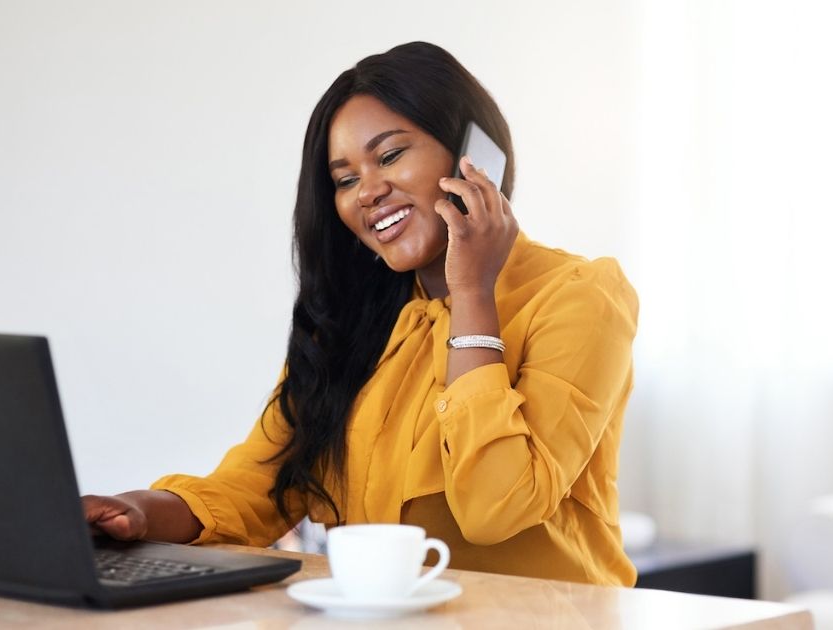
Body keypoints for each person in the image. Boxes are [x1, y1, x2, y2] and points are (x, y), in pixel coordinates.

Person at [83, 41, 639, 586]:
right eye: (345, 180)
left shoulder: (580, 296)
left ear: (473, 158)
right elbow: (257, 485)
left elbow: (497, 507)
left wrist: (471, 292)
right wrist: (138, 511)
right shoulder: (351, 321)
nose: (367, 192)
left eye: (391, 155)